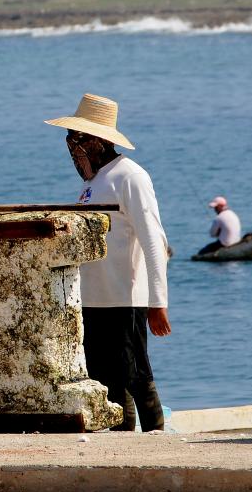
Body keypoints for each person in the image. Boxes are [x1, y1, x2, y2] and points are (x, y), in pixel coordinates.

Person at [45, 93, 171, 432]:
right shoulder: (92, 184)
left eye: (78, 138)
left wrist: (157, 302)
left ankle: (157, 437)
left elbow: (154, 240)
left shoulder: (129, 176)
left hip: (124, 298)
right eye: (69, 137)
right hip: (93, 299)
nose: (72, 146)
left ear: (98, 140)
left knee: (136, 374)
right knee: (107, 380)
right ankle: (122, 441)